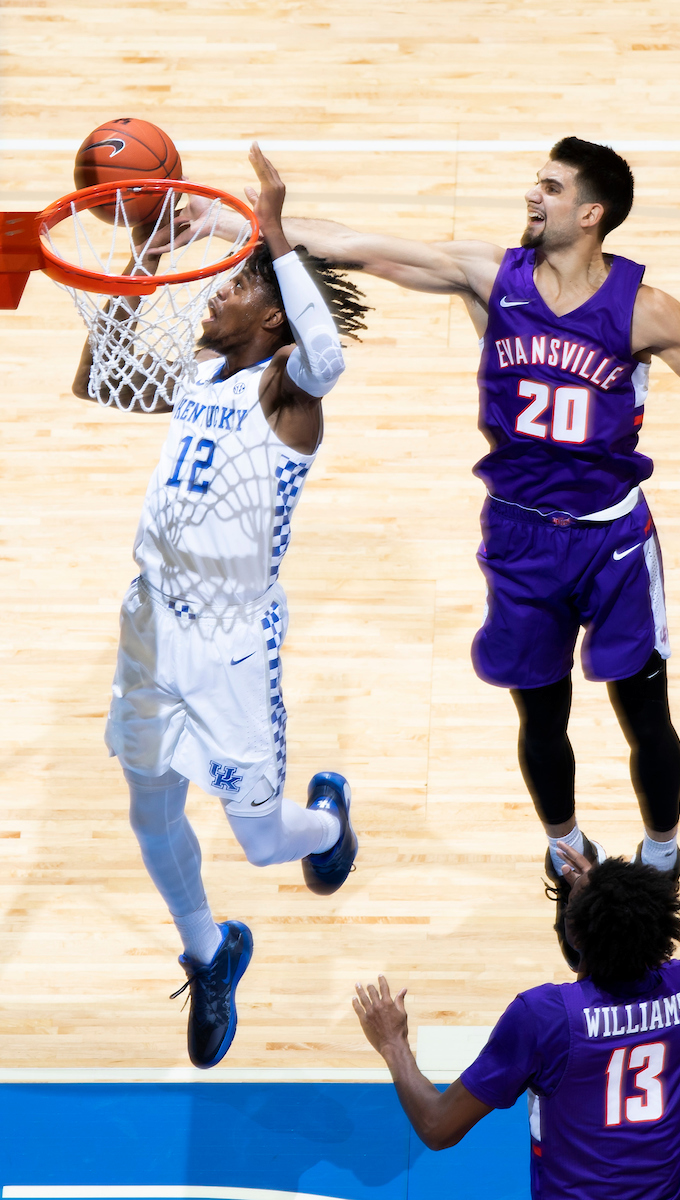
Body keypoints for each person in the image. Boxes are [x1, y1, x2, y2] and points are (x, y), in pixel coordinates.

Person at [263, 135, 680, 966]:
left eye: (550, 186)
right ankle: (564, 848)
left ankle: (661, 854)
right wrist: (248, 222)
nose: (531, 195)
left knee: (642, 712)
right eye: (534, 183)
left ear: (592, 212)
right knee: (539, 713)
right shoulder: (490, 276)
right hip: (516, 535)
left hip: (613, 540)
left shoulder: (646, 309)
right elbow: (356, 247)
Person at [72, 145, 367, 1068]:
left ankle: (329, 821)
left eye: (232, 288)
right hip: (152, 622)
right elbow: (98, 376)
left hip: (233, 641)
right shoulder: (201, 378)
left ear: (272, 308)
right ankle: (210, 955)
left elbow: (326, 353)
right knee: (149, 811)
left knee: (264, 839)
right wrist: (145, 257)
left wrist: (272, 230)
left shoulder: (288, 395)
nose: (213, 295)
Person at [354, 843, 680, 1200]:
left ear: (574, 936)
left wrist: (392, 1043)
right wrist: (614, 898)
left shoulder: (545, 1017)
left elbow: (436, 1127)